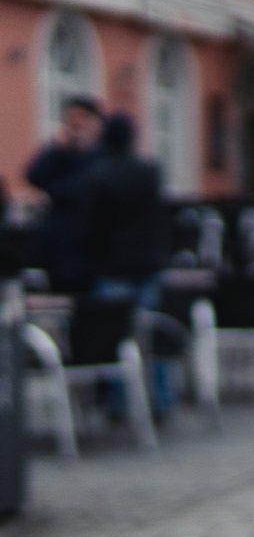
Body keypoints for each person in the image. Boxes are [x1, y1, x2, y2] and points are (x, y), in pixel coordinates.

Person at [76, 113, 175, 417]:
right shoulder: (150, 171)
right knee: (150, 333)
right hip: (147, 262)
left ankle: (118, 402)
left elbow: (89, 224)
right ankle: (161, 399)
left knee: (115, 336)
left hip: (113, 265)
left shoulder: (99, 174)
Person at [23, 94, 103, 294]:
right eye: (71, 119)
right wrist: (57, 148)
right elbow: (34, 175)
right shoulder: (60, 153)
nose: (75, 124)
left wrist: (52, 192)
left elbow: (81, 189)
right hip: (59, 248)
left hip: (90, 247)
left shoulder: (100, 156)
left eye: (81, 118)